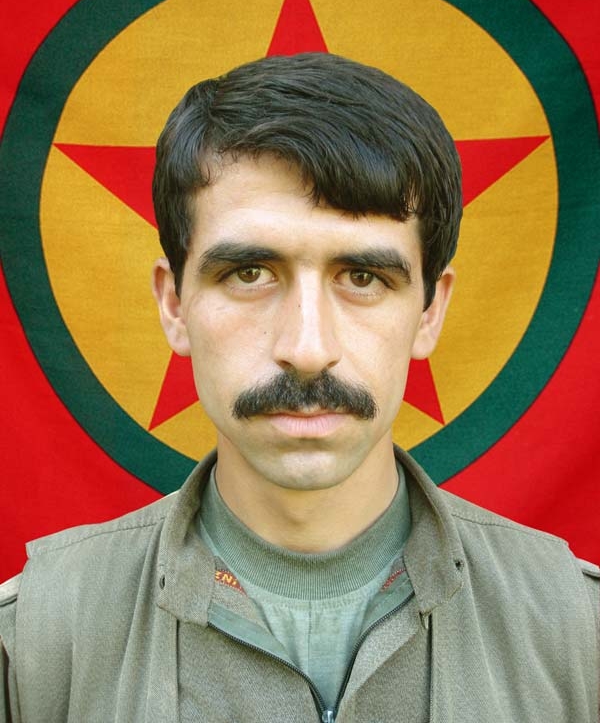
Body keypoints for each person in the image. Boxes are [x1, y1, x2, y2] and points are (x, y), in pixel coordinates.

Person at [0, 53, 598, 722]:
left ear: (430, 310)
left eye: (363, 278)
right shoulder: (33, 645)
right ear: (174, 304)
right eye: (250, 273)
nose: (308, 349)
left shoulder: (580, 634)